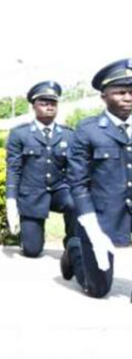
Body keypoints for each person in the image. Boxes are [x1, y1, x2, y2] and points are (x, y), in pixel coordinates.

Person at [66, 59, 132, 298]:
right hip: (102, 214)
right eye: (121, 92)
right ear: (104, 96)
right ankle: (75, 250)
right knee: (98, 289)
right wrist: (90, 224)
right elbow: (78, 181)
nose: (128, 97)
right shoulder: (88, 130)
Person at [5, 81, 76, 270]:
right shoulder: (19, 134)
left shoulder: (69, 135)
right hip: (33, 194)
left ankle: (73, 245)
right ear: (34, 106)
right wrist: (11, 201)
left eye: (53, 103)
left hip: (59, 189)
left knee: (75, 202)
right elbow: (14, 168)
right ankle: (30, 236)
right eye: (44, 102)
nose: (49, 106)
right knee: (32, 250)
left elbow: (74, 168)